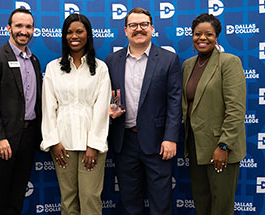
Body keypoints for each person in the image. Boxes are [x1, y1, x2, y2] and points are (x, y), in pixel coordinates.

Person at [105, 7, 182, 215]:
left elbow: (175, 102)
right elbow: (113, 95)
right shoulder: (112, 61)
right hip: (124, 141)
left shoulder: (168, 59)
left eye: (143, 24)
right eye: (133, 25)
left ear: (152, 28)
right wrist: (112, 109)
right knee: (130, 203)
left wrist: (171, 138)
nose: (138, 29)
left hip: (159, 142)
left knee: (161, 202)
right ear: (125, 30)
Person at [40, 14, 111, 215]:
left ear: (88, 34)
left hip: (92, 146)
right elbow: (48, 107)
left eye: (79, 31)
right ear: (64, 36)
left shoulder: (100, 68)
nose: (74, 36)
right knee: (68, 200)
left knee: (90, 198)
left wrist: (94, 145)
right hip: (63, 145)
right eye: (69, 32)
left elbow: (102, 108)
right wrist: (53, 142)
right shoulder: (53, 68)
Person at [0, 8, 42, 215]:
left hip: (28, 138)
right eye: (19, 26)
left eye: (28, 27)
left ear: (33, 30)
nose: (24, 31)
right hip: (3, 142)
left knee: (16, 198)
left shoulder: (34, 61)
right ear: (9, 28)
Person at [182, 13, 246, 215]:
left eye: (208, 34)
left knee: (221, 207)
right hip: (195, 146)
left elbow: (236, 109)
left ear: (216, 36)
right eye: (197, 34)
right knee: (202, 203)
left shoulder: (229, 62)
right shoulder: (188, 65)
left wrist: (223, 145)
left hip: (220, 148)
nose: (202, 38)